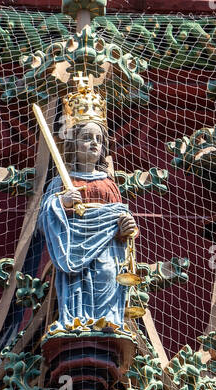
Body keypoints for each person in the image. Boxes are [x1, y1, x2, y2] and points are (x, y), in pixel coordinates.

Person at [38, 118, 137, 331]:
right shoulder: (63, 182)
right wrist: (61, 202)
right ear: (74, 145)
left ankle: (108, 322)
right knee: (77, 282)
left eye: (98, 139)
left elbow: (118, 217)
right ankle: (77, 322)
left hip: (107, 249)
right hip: (73, 247)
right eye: (86, 138)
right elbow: (43, 219)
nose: (94, 143)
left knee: (108, 273)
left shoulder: (108, 184)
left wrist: (125, 227)